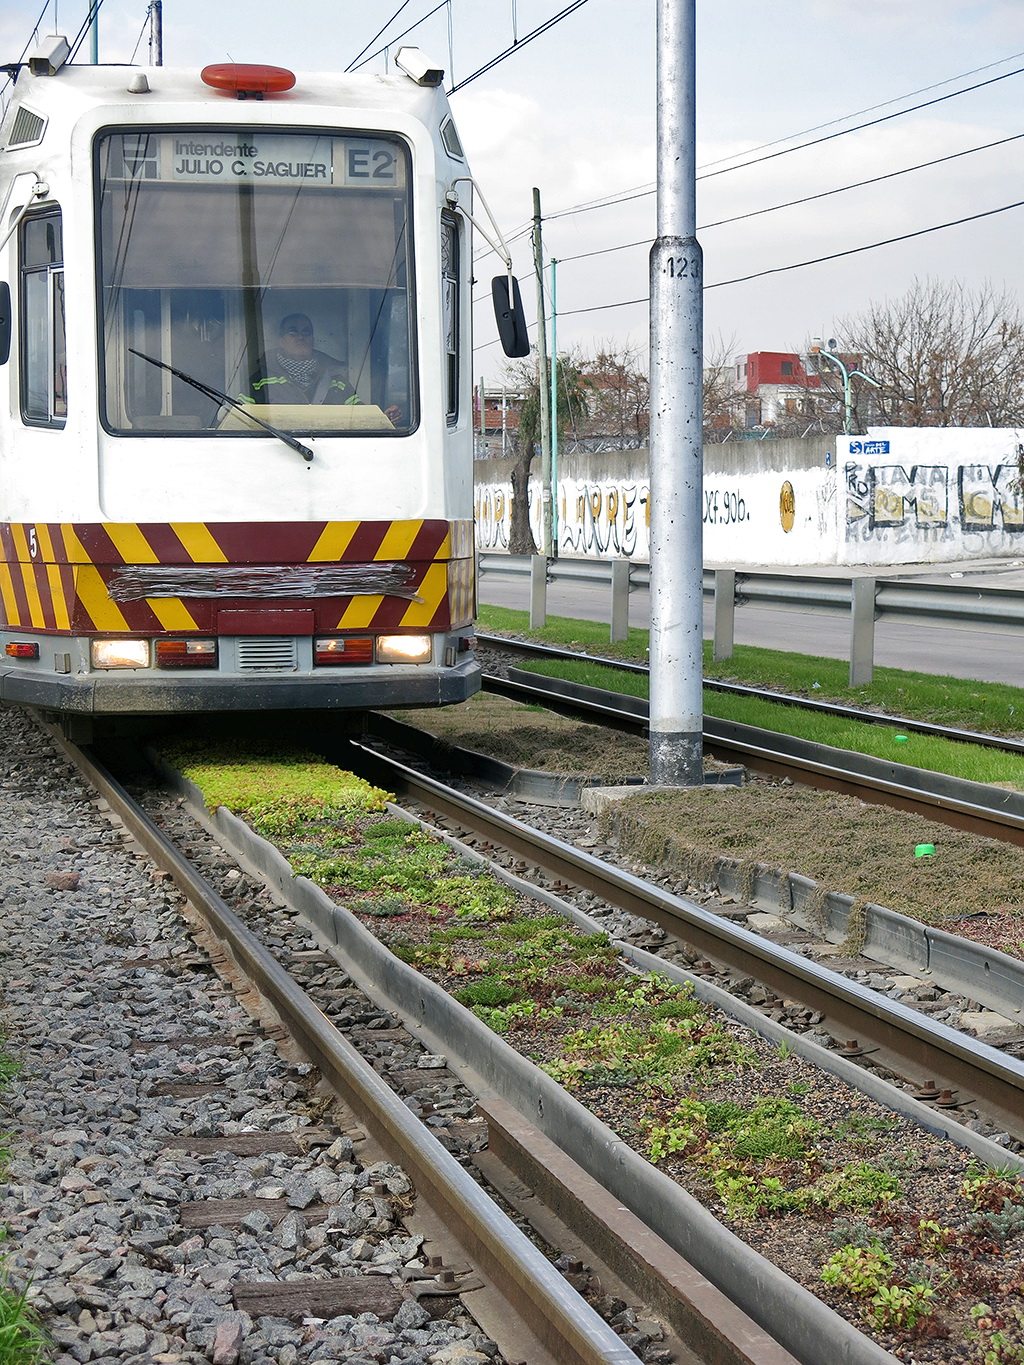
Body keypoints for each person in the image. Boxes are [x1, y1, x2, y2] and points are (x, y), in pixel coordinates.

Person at [244, 314, 364, 407]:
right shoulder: (259, 381)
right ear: (281, 341)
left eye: (306, 332)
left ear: (312, 340)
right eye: (293, 332)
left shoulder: (337, 380)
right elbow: (239, 419)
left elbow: (361, 417)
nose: (300, 337)